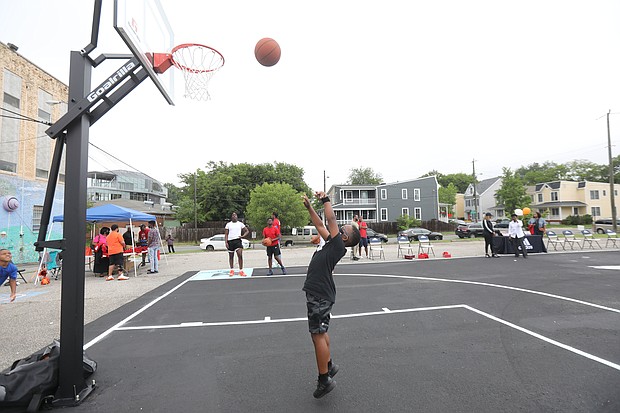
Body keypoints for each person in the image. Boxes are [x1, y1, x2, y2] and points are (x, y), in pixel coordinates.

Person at [302, 191, 360, 399]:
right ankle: (328, 364)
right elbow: (320, 225)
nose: (337, 226)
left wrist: (325, 200)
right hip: (319, 294)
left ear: (343, 237)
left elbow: (330, 218)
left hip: (319, 295)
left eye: (342, 229)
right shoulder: (330, 243)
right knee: (319, 333)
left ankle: (324, 379)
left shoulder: (337, 245)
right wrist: (310, 207)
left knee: (317, 334)